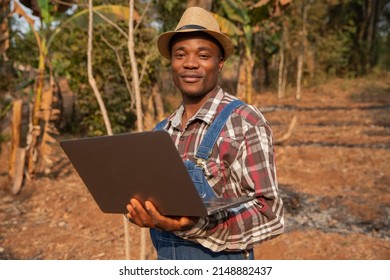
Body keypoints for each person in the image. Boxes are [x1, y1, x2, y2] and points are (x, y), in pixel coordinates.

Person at [126, 6, 284, 260]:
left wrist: (192, 225)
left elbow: (270, 214)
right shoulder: (160, 132)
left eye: (203, 55)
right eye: (180, 54)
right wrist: (140, 210)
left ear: (220, 63)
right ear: (172, 62)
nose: (190, 63)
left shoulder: (244, 122)